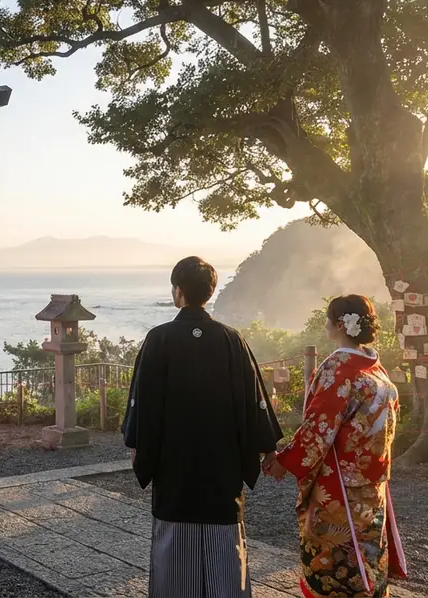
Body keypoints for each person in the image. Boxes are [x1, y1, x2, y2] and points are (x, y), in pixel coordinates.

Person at [122, 256, 283, 598]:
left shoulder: (159, 339)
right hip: (221, 468)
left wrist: (137, 445)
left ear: (177, 292)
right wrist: (268, 448)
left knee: (174, 551)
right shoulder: (230, 339)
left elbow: (143, 402)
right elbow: (254, 399)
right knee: (225, 548)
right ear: (209, 292)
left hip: (173, 466)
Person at [263, 295, 408, 597]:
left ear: (340, 325)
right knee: (366, 550)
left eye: (329, 318)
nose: (326, 323)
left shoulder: (339, 369)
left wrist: (283, 461)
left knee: (338, 561)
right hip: (372, 482)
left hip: (340, 484)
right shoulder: (377, 371)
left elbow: (319, 428)